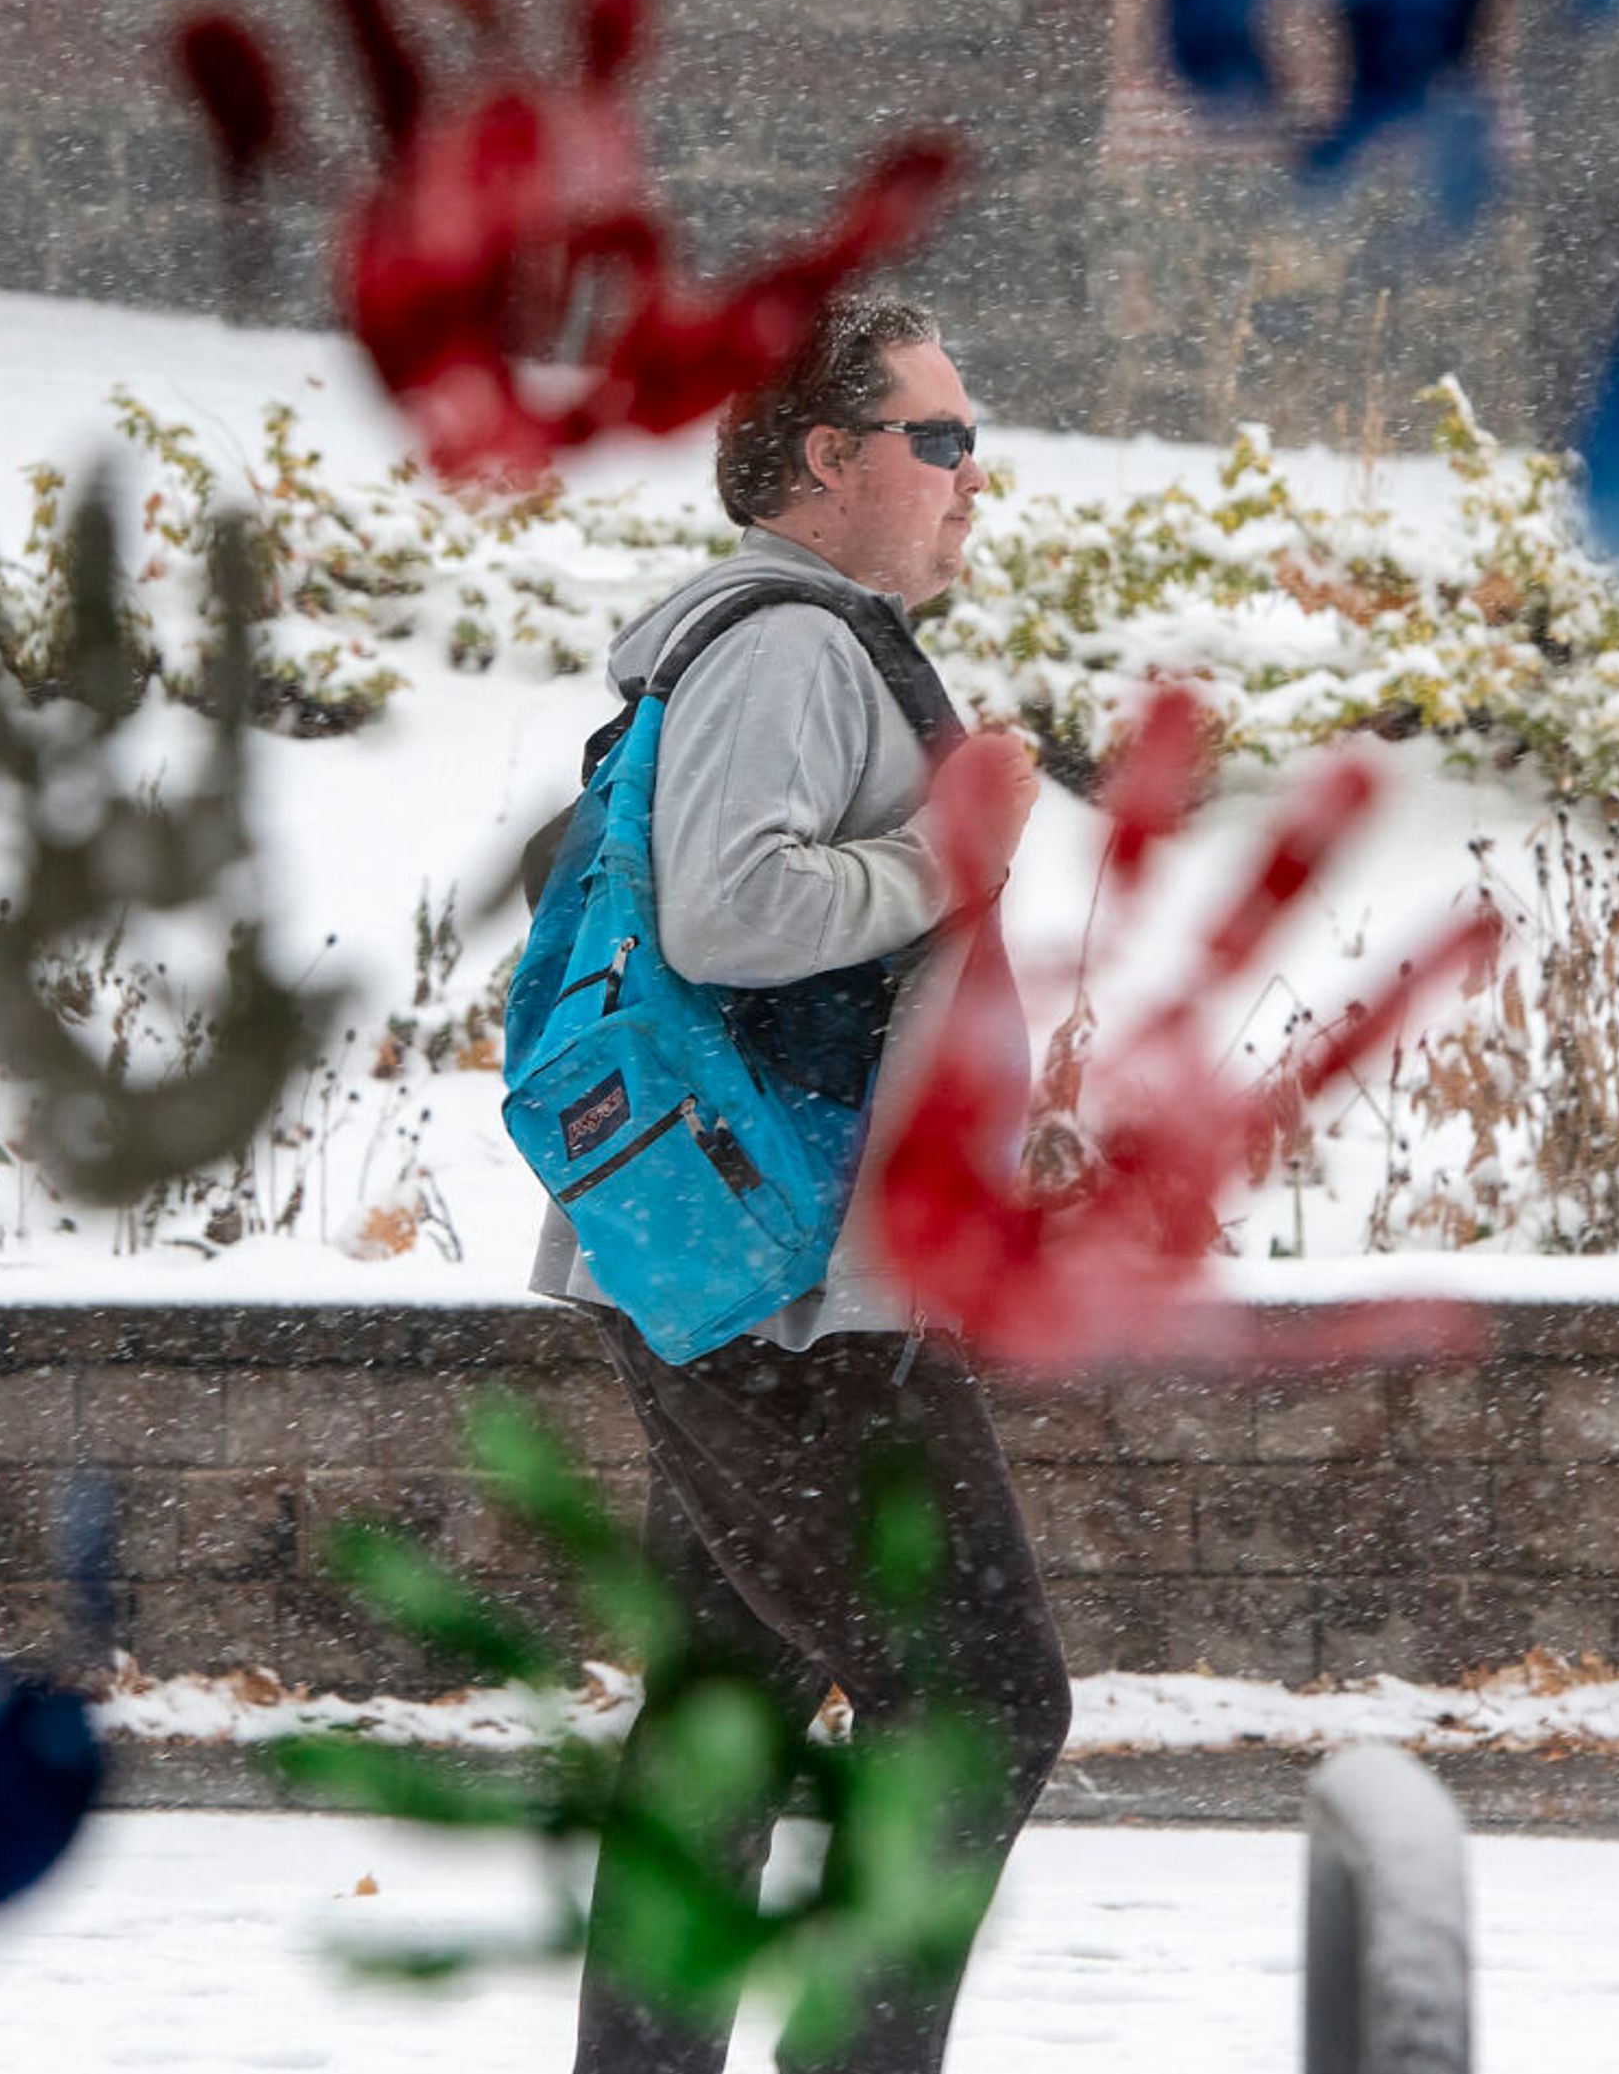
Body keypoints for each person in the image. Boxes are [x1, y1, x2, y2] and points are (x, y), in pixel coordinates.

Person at [527, 293, 1071, 2074]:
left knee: (730, 1703)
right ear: (827, 457)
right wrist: (949, 849)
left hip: (740, 1256)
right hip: (785, 1287)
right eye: (941, 437)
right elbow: (735, 912)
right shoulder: (788, 643)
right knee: (982, 1697)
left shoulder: (791, 643)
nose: (972, 476)